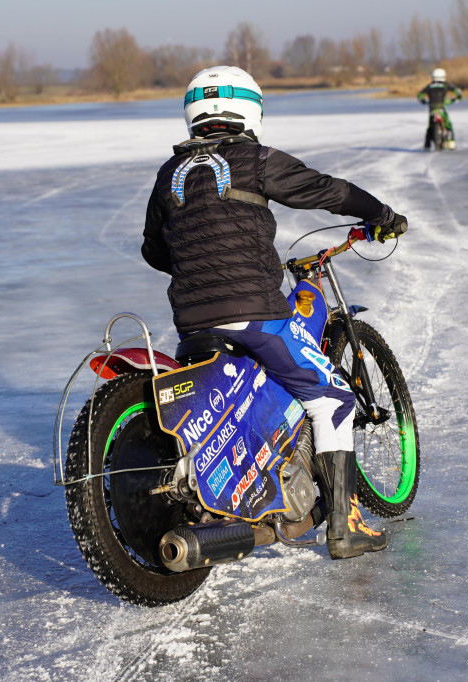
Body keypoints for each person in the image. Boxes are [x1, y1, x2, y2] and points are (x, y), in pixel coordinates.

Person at [141, 65, 407, 560]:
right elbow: (329, 191)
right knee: (332, 399)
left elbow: (154, 252)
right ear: (250, 108)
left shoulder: (168, 174)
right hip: (253, 310)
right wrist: (380, 215)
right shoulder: (256, 160)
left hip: (192, 321)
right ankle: (346, 526)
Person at [417, 67, 463, 150]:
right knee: (448, 124)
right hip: (441, 107)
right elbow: (457, 91)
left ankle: (427, 145)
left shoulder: (429, 86)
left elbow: (420, 95)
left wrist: (423, 101)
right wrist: (457, 98)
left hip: (432, 108)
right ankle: (451, 142)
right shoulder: (445, 85)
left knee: (430, 126)